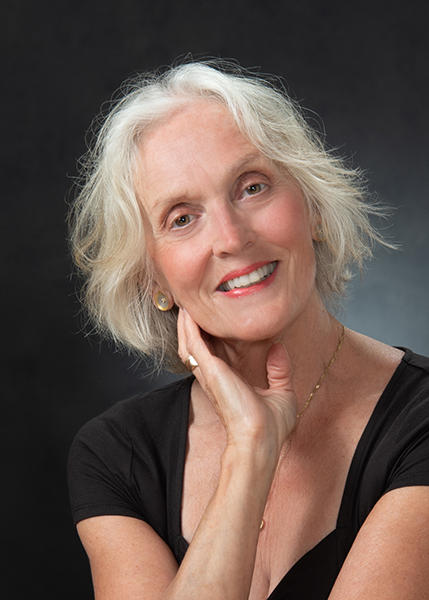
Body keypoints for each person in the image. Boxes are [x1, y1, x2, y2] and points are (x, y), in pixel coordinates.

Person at [67, 60, 429, 600]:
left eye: (252, 187)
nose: (231, 238)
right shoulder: (116, 454)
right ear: (153, 279)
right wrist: (250, 448)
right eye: (182, 218)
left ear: (312, 206)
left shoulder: (420, 422)